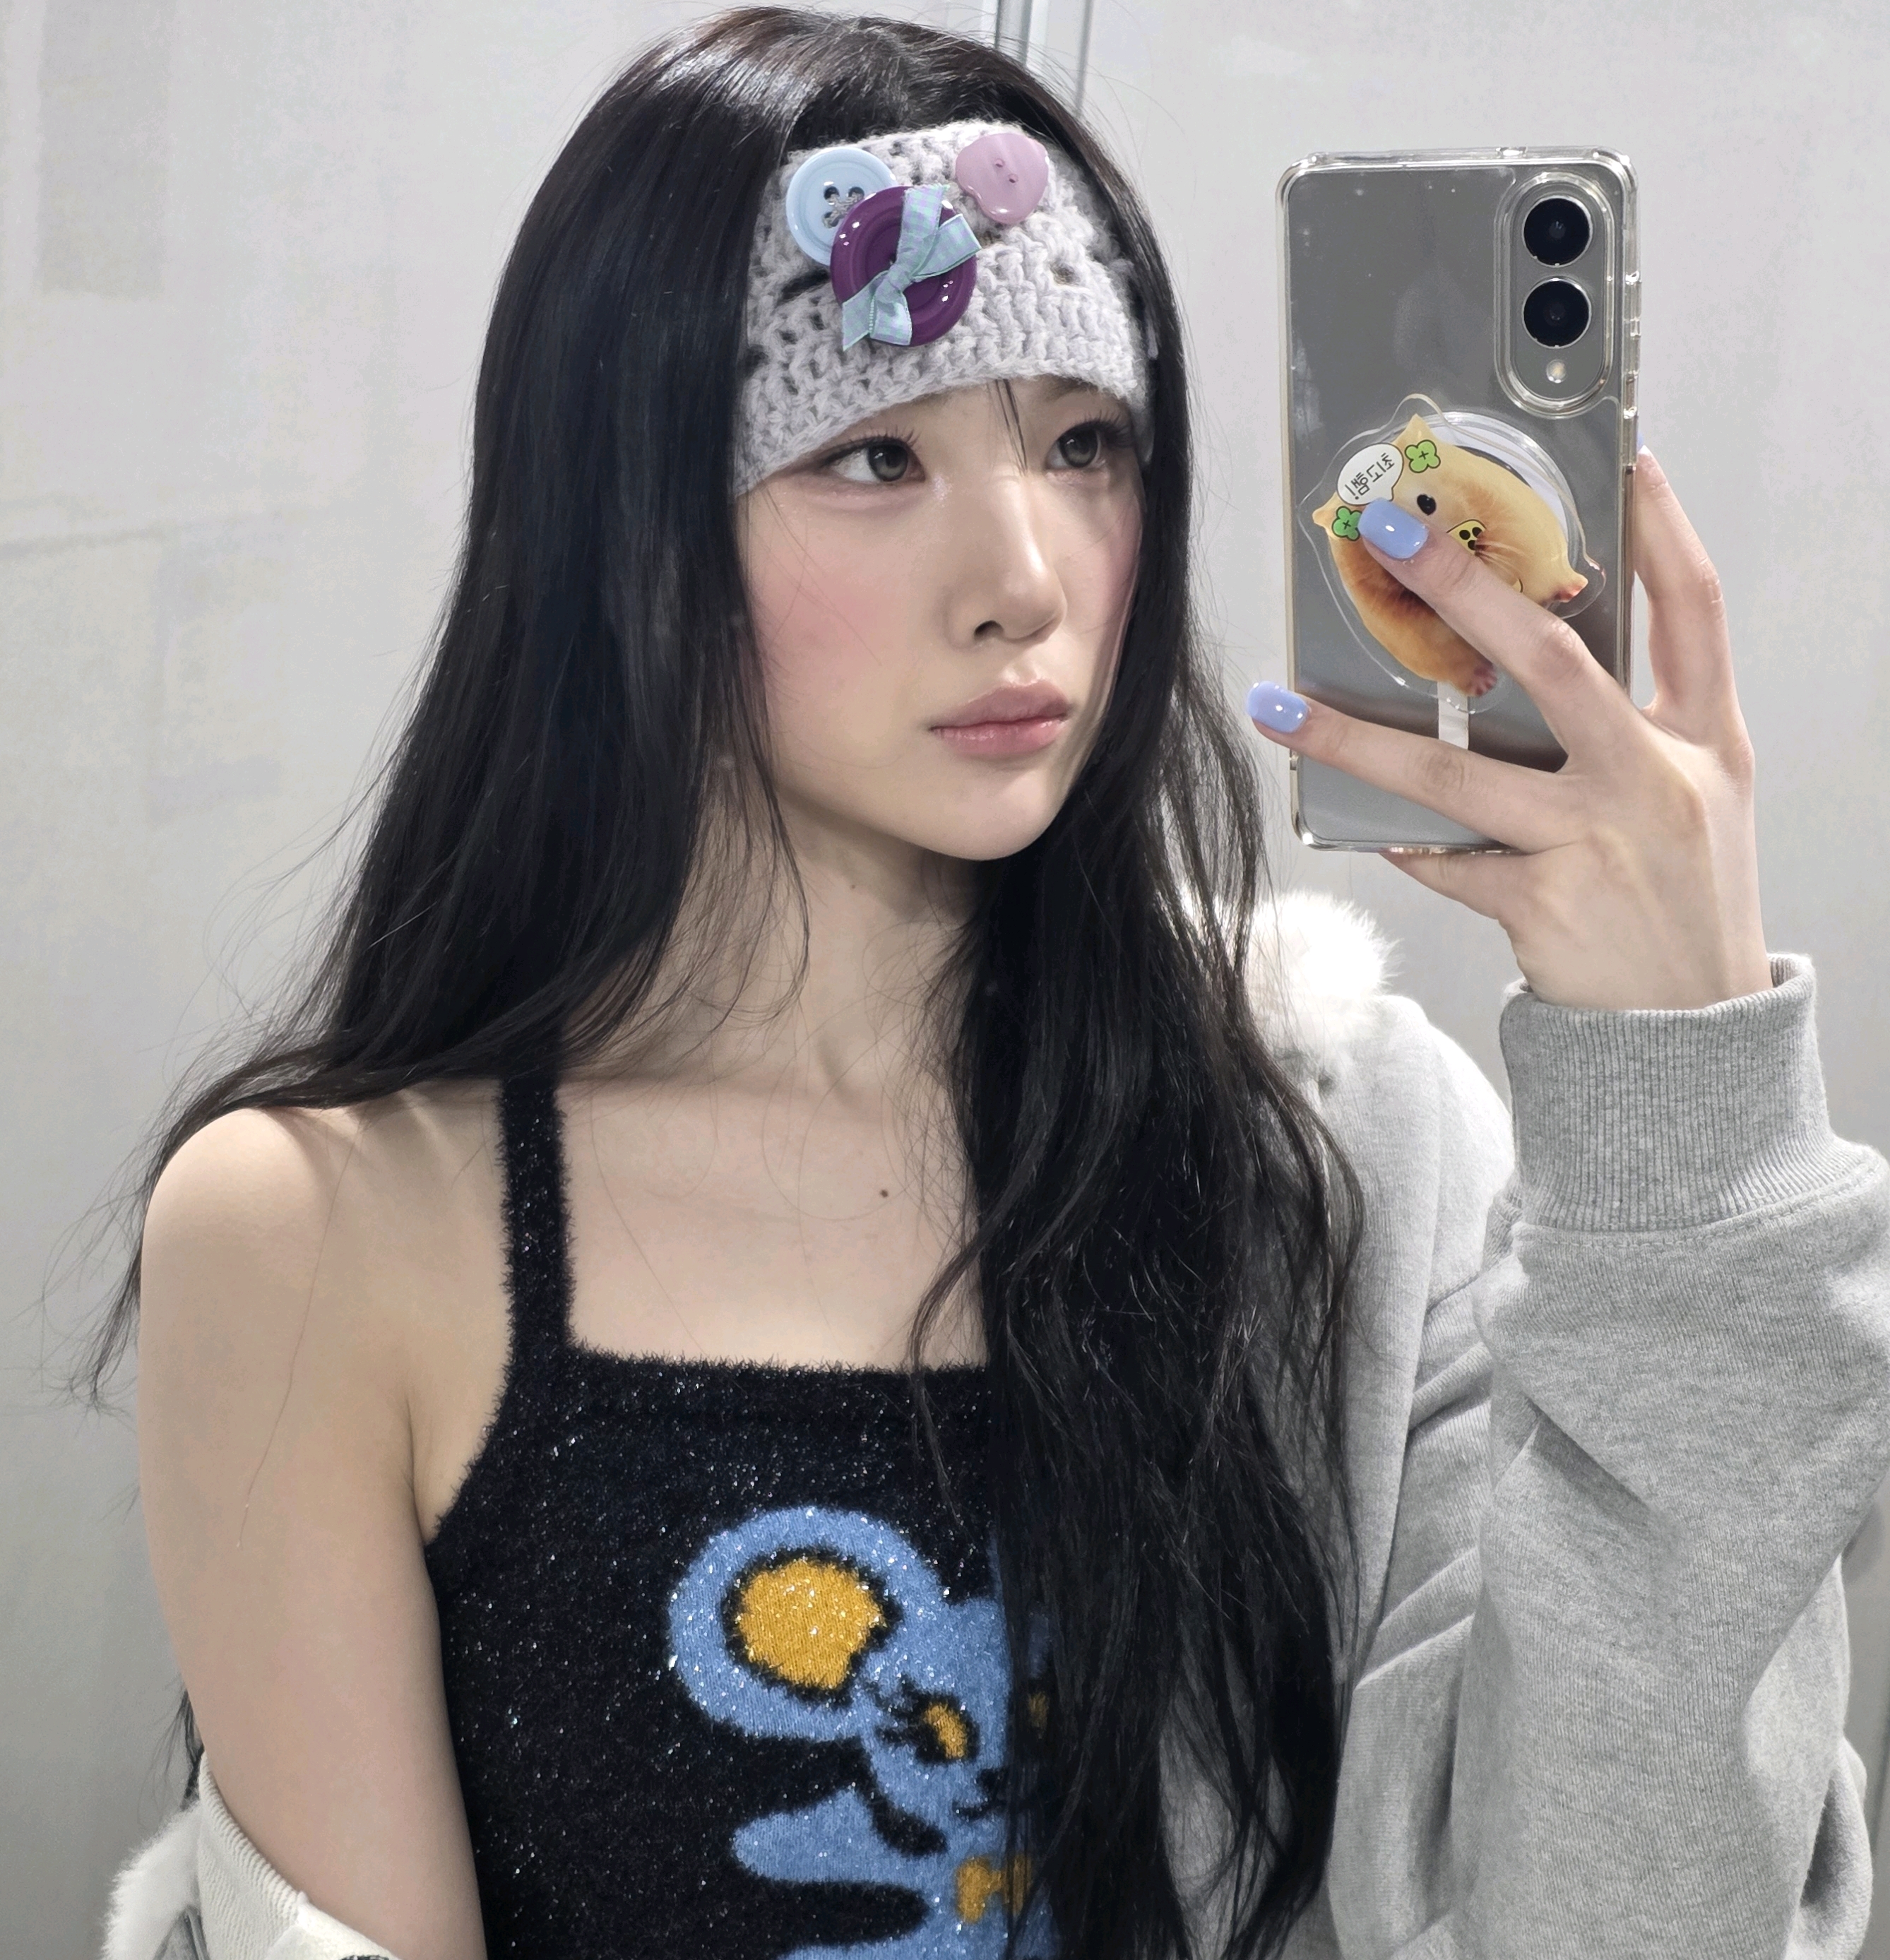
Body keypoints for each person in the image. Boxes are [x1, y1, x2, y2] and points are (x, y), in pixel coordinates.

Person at [97, 9, 1889, 1960]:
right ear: (627, 535)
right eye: (875, 454)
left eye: (1083, 444)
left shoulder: (1350, 1154)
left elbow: (1639, 1923)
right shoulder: (326, 1230)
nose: (1027, 576)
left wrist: (1682, 1116)